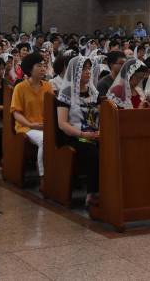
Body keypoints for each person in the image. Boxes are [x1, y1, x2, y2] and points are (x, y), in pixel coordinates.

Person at [55, 56, 100, 207]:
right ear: (76, 71)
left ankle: (110, 190)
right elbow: (62, 123)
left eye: (89, 69)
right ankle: (92, 194)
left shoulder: (93, 92)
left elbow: (100, 115)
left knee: (112, 147)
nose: (88, 72)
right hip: (75, 136)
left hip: (93, 134)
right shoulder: (67, 93)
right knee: (92, 151)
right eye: (84, 69)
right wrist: (83, 134)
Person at [10, 52, 53, 178]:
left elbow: (51, 109)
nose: (43, 68)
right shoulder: (20, 87)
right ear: (30, 68)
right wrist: (30, 124)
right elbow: (16, 113)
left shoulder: (47, 86)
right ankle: (43, 176)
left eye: (44, 66)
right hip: (26, 127)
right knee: (45, 140)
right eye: (39, 66)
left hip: (44, 125)